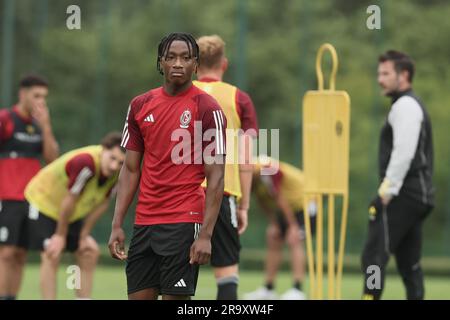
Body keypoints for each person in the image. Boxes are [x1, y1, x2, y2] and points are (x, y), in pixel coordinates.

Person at [108, 32, 227, 300]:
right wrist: (117, 223)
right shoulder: (140, 105)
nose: (177, 63)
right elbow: (130, 169)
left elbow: (217, 176)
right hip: (145, 222)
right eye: (171, 57)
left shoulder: (208, 108)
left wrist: (206, 235)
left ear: (195, 64)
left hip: (183, 221)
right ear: (160, 62)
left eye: (186, 58)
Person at [361, 50, 434, 300]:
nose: (379, 79)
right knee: (409, 263)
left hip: (404, 193)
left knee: (373, 256)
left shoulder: (405, 105)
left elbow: (404, 152)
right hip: (418, 195)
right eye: (378, 73)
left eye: (385, 73)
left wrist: (386, 192)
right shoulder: (408, 104)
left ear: (404, 75)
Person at [193, 34, 259, 300]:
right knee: (227, 272)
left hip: (180, 193)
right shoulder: (239, 99)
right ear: (225, 64)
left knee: (174, 274)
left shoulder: (178, 93)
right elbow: (245, 160)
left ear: (194, 65)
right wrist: (244, 205)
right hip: (222, 193)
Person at [24, 132, 124, 299]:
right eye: (112, 158)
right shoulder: (86, 163)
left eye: (120, 162)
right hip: (43, 203)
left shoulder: (118, 174)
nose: (115, 166)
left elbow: (103, 204)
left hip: (69, 211)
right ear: (103, 150)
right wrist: (60, 235)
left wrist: (83, 235)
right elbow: (69, 199)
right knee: (52, 252)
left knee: (88, 251)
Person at [0, 75, 59, 300]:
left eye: (44, 97)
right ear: (22, 94)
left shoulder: (39, 124)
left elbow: (52, 159)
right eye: (36, 95)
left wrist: (46, 126)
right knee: (6, 252)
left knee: (21, 254)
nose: (40, 101)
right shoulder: (5, 119)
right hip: (6, 196)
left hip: (32, 198)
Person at [244, 157, 316, 300]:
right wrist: (274, 224)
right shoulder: (251, 177)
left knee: (293, 240)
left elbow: (279, 197)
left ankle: (298, 290)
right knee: (273, 238)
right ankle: (268, 288)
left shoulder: (267, 169)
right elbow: (261, 200)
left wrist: (293, 226)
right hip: (288, 207)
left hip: (306, 203)